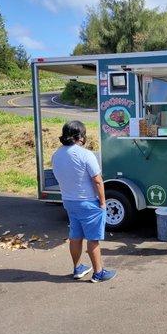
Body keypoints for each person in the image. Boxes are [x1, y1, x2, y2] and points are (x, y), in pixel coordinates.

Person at [51, 121, 116, 283]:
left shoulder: (56, 155)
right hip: (87, 202)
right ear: (80, 136)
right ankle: (98, 273)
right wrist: (102, 202)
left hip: (68, 201)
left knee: (75, 236)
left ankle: (77, 268)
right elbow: (98, 181)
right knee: (93, 239)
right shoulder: (85, 155)